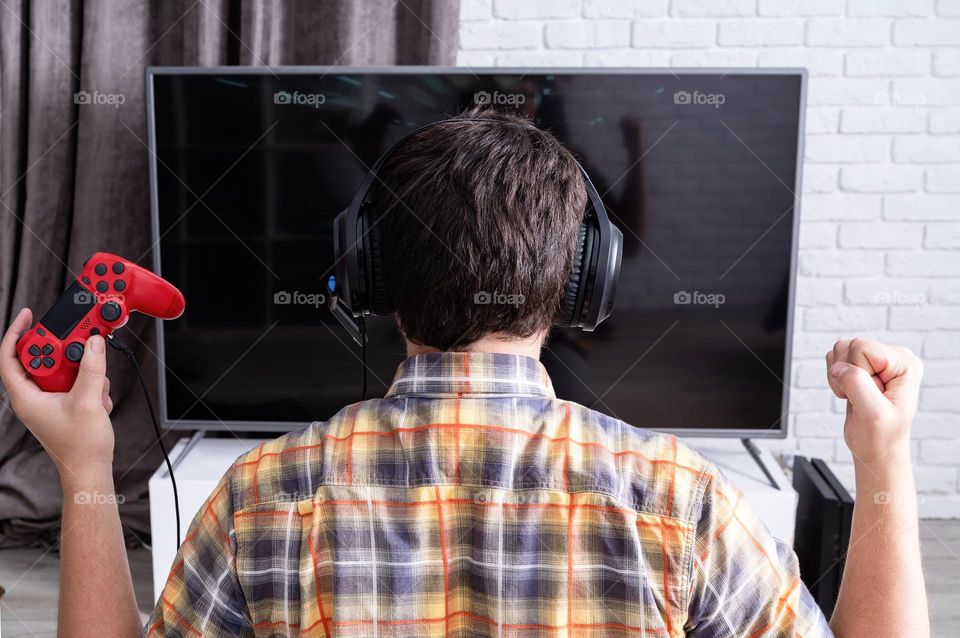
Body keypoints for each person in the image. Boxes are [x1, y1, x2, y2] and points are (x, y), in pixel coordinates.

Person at [0, 109, 928, 637]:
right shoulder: (683, 501)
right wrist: (883, 463)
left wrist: (83, 468)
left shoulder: (259, 500)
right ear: (581, 285)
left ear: (366, 274)